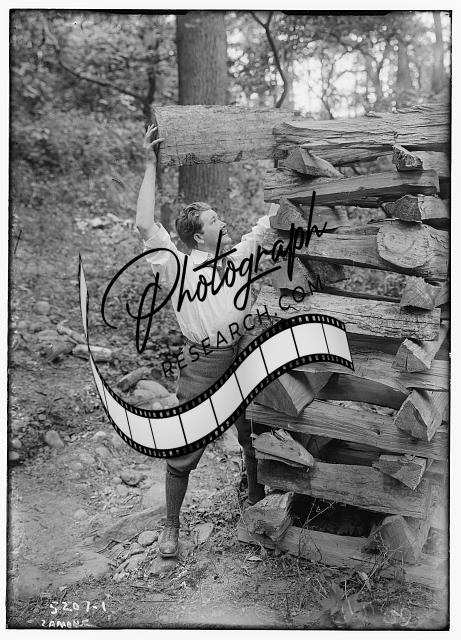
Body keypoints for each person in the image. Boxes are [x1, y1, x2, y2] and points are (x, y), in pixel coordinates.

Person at [136, 124, 278, 558]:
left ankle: (254, 504)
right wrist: (150, 164)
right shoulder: (177, 267)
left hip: (243, 355)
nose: (224, 221)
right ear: (198, 236)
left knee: (251, 435)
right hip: (202, 363)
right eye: (215, 220)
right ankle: (171, 526)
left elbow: (269, 221)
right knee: (185, 447)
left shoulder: (238, 258)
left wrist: (282, 158)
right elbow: (144, 224)